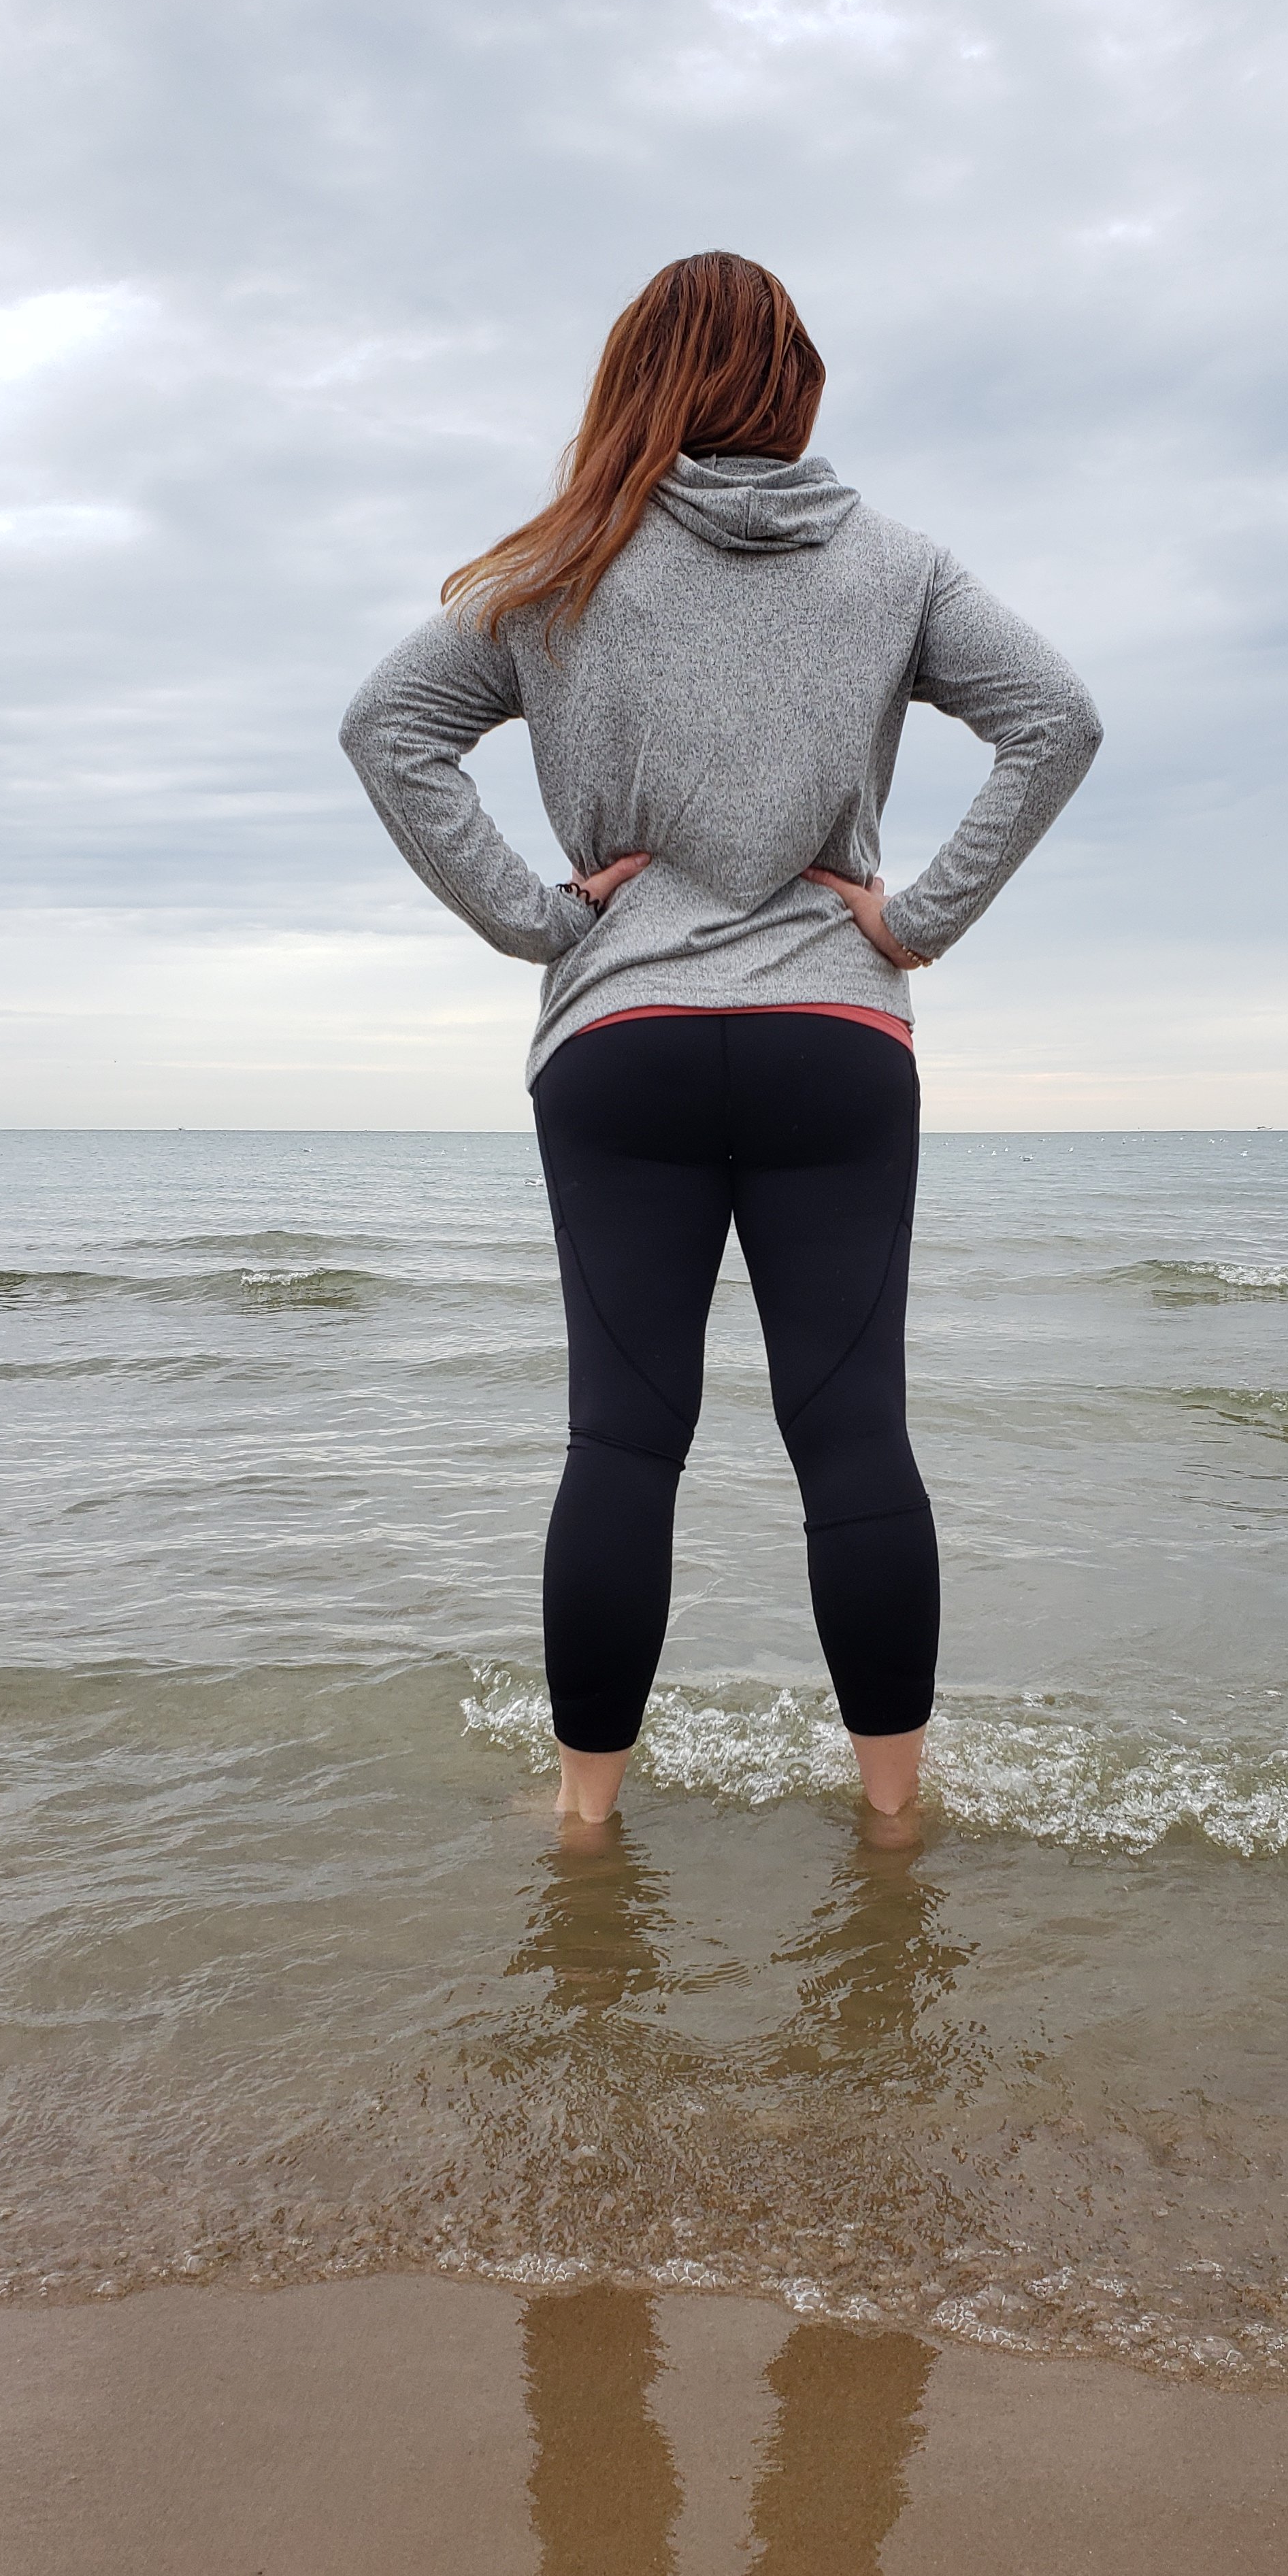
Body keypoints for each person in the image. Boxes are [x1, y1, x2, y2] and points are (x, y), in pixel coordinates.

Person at [341, 251, 1100, 1832]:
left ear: (638, 382)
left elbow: (388, 727)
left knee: (624, 1438)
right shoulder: (897, 564)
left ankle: (587, 1822)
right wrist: (916, 917)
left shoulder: (565, 565)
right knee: (854, 1432)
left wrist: (542, 921)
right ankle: (894, 1818)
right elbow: (1057, 717)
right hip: (834, 1028)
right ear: (796, 381)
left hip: (625, 1041)